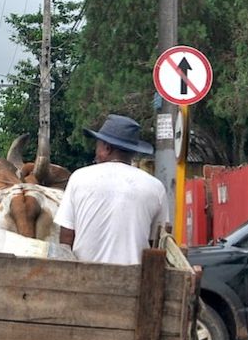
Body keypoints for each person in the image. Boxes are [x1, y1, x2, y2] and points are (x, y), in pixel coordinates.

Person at [55, 114, 167, 266]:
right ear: (132, 151)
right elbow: (155, 242)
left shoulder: (79, 177)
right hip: (135, 281)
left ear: (106, 148)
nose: (96, 152)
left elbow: (66, 238)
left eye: (98, 146)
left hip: (82, 278)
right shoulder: (155, 187)